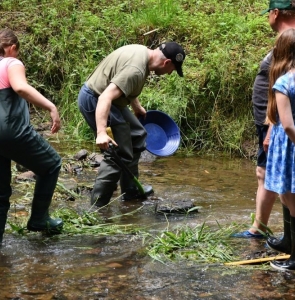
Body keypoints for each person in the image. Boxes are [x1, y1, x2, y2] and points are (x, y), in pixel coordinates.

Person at [78, 42, 186, 207]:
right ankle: (98, 206)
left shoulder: (142, 53)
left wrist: (136, 106)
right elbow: (105, 97)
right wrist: (101, 133)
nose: (170, 73)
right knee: (117, 152)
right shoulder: (136, 70)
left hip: (112, 101)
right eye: (172, 70)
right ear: (167, 63)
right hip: (95, 100)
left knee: (137, 135)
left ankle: (130, 191)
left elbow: (121, 83)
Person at [232, 0, 295, 243]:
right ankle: (277, 233)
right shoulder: (290, 39)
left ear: (275, 13)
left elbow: (286, 94)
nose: (267, 19)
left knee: (278, 177)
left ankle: (274, 234)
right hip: (275, 121)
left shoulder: (290, 42)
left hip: (277, 123)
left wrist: (271, 127)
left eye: (268, 15)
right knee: (273, 175)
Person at [0, 28, 63, 244]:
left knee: (0, 194)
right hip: (9, 132)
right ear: (12, 48)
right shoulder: (11, 63)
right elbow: (20, 88)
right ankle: (39, 219)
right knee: (52, 164)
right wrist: (51, 106)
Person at [264, 28, 295, 271]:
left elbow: (286, 124)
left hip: (291, 144)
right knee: (289, 195)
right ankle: (289, 243)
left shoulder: (284, 82)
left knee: (292, 199)